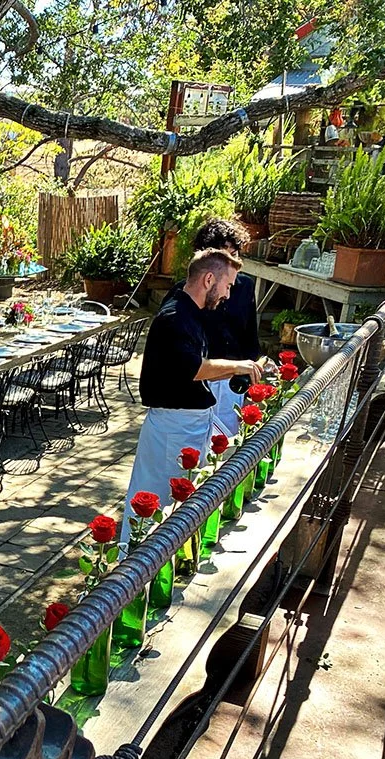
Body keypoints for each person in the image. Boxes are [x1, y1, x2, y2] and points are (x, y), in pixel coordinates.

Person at [121, 249, 262, 541]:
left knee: (181, 508)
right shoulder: (174, 317)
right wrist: (238, 365)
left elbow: (198, 371)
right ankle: (132, 563)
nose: (228, 294)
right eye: (227, 286)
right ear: (209, 279)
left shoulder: (193, 313)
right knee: (156, 504)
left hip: (186, 425)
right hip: (172, 428)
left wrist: (241, 371)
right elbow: (194, 368)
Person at [163, 218, 261, 435]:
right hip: (198, 381)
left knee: (227, 444)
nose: (229, 264)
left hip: (232, 382)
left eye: (234, 255)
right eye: (224, 256)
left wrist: (250, 381)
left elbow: (250, 338)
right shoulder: (183, 296)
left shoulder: (245, 286)